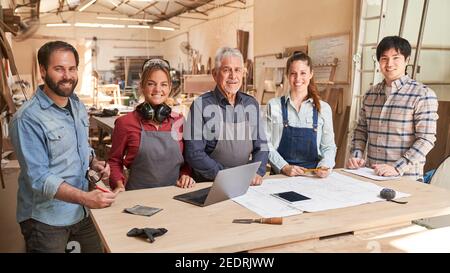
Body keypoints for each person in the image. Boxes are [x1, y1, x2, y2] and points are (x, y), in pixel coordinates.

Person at [9, 41, 115, 253]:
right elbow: (40, 179)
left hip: (83, 213)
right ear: (42, 71)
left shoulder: (76, 105)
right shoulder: (27, 119)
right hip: (47, 221)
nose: (67, 75)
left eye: (72, 68)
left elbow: (81, 146)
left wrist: (94, 162)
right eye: (59, 69)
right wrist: (86, 197)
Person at [347, 36, 438, 180]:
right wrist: (356, 155)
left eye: (396, 58)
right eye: (384, 58)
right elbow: (361, 131)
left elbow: (426, 139)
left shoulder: (423, 95)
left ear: (407, 60)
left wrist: (397, 167)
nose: (389, 64)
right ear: (379, 62)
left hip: (406, 178)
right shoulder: (371, 94)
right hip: (372, 174)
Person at [184, 47, 268, 185]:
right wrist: (225, 175)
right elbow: (194, 153)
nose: (233, 76)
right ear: (215, 74)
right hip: (210, 183)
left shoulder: (250, 104)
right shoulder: (201, 105)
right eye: (226, 70)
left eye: (237, 70)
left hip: (245, 182)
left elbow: (262, 146)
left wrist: (257, 172)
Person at [108, 58, 195, 191]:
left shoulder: (179, 121)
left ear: (170, 88)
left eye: (164, 84)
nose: (157, 89)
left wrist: (185, 175)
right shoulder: (125, 123)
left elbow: (187, 161)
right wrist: (118, 184)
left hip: (175, 195)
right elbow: (114, 161)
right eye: (151, 84)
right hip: (138, 197)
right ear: (142, 86)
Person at [265, 51, 336, 178]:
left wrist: (325, 165)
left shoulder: (323, 109)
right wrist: (284, 167)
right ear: (287, 75)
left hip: (312, 177)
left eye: (303, 73)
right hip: (281, 177)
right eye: (293, 73)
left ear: (311, 74)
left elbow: (329, 146)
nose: (298, 78)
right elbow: (265, 143)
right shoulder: (274, 106)